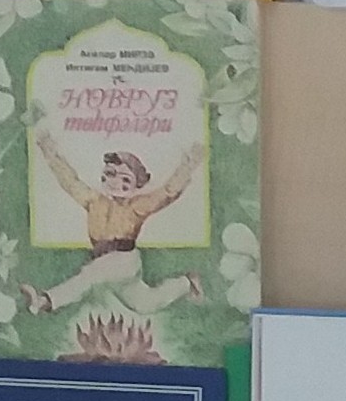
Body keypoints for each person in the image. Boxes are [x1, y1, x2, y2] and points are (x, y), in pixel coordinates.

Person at [17, 131, 205, 324]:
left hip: (123, 260)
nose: (116, 183)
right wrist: (51, 154)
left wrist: (188, 165)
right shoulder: (94, 201)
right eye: (111, 174)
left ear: (136, 184)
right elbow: (70, 182)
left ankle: (44, 301)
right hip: (106, 262)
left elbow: (167, 192)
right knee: (145, 303)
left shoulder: (136, 207)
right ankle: (187, 282)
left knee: (89, 275)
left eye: (125, 180)